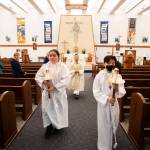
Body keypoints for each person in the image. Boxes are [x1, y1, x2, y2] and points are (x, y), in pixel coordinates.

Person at [35, 49, 70, 139]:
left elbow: (66, 79)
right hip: (47, 93)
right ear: (48, 57)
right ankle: (48, 127)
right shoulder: (44, 66)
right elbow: (38, 76)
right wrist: (44, 82)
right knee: (46, 110)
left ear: (58, 56)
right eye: (50, 55)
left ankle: (59, 125)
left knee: (58, 109)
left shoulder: (63, 66)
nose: (52, 57)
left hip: (58, 93)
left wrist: (55, 87)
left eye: (54, 55)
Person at [93, 55, 126, 150]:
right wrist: (107, 98)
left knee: (114, 122)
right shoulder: (99, 76)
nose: (111, 64)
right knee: (104, 125)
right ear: (105, 63)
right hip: (104, 105)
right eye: (109, 62)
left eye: (113, 63)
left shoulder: (118, 75)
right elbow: (96, 91)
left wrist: (116, 94)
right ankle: (104, 146)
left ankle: (111, 138)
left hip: (114, 103)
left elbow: (122, 90)